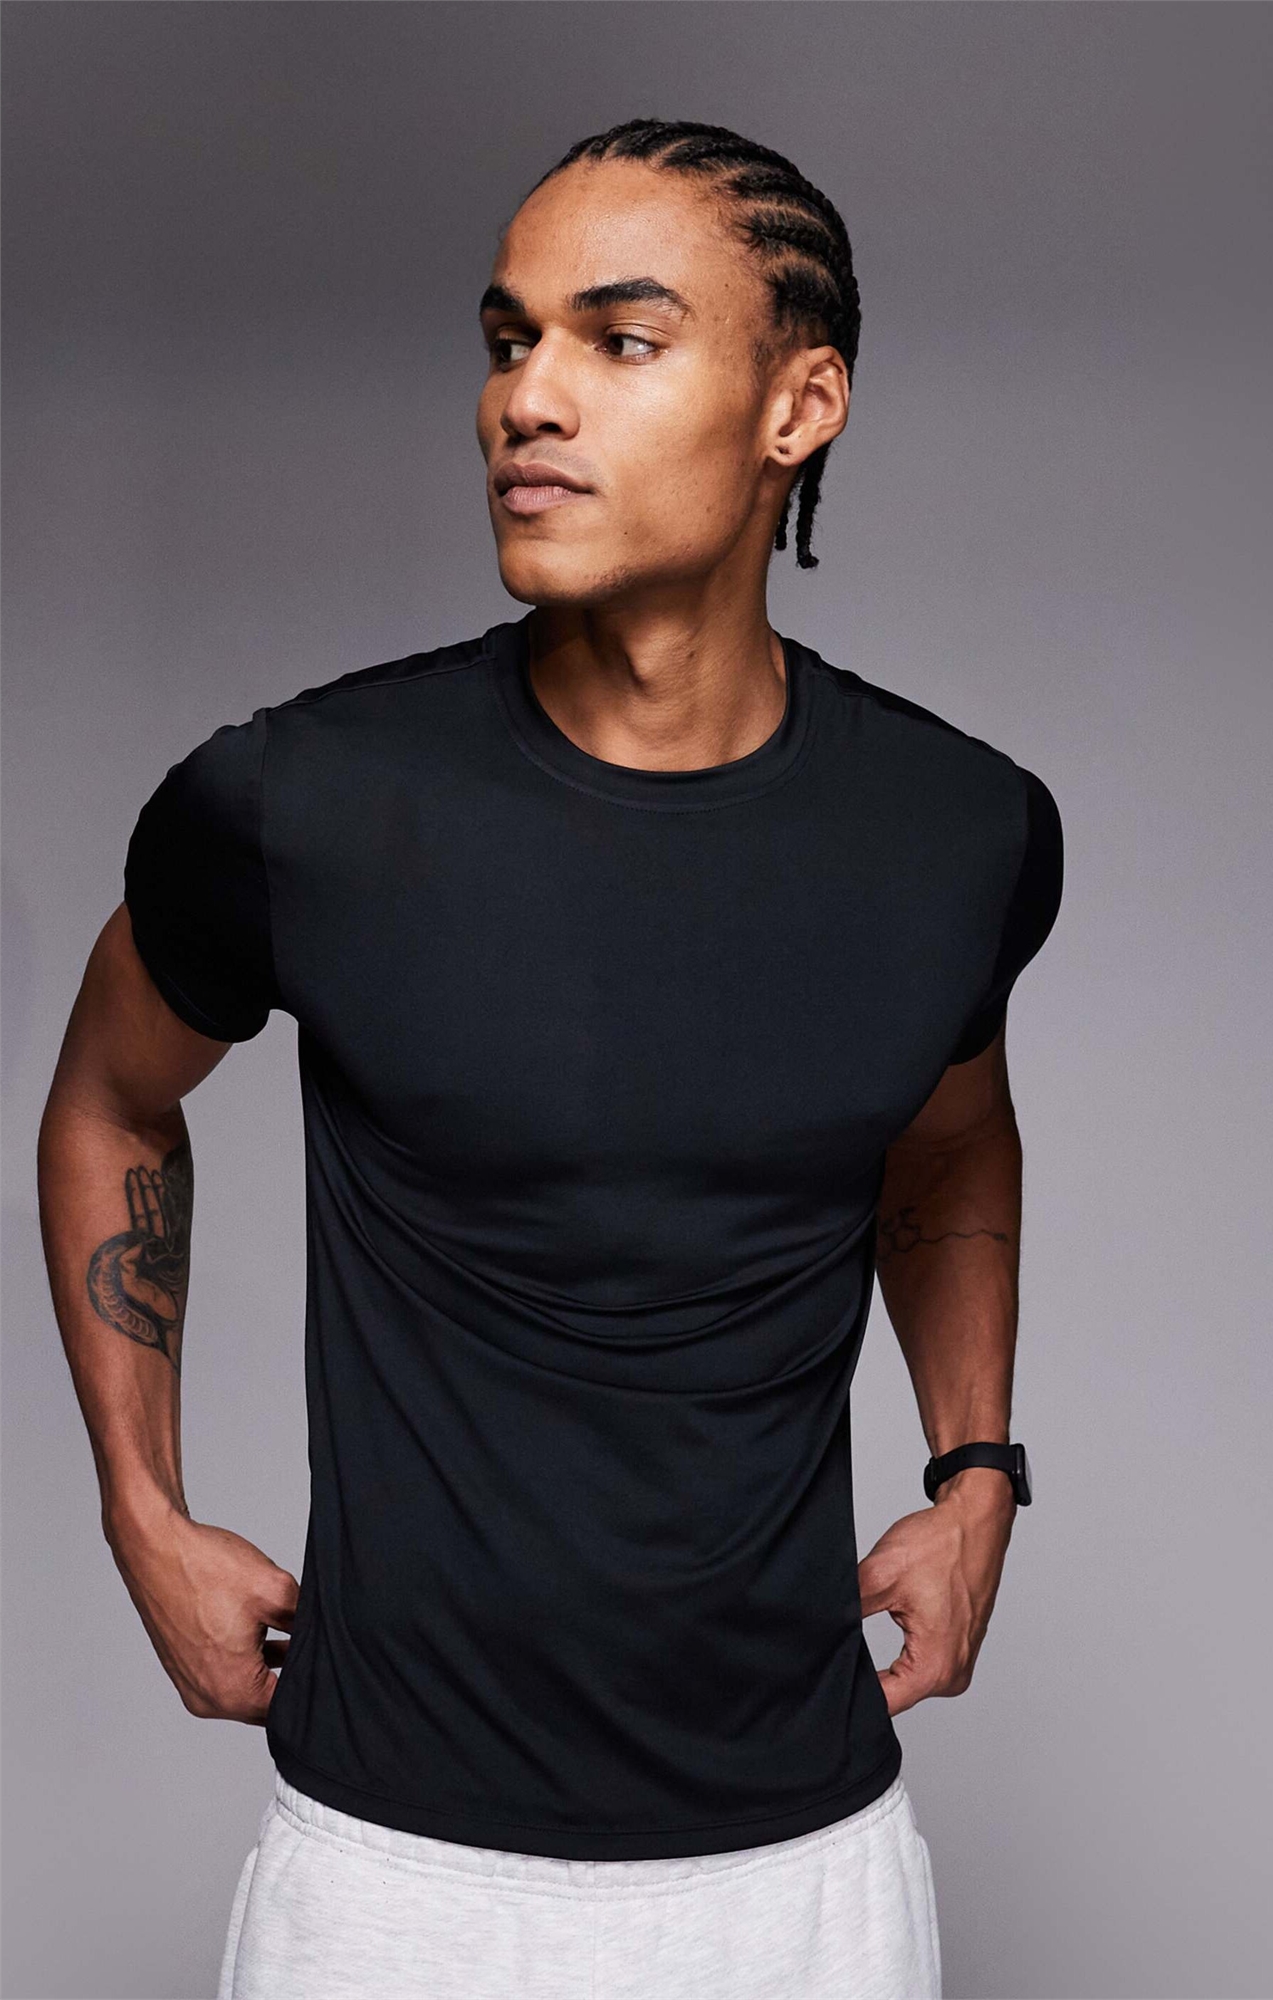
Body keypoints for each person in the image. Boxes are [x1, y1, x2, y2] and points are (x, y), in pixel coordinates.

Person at [37, 116, 1063, 2000]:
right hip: (391, 1880)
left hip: (804, 1881)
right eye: (510, 339)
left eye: (621, 338)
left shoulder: (961, 833)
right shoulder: (301, 804)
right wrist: (141, 1510)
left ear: (798, 406)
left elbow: (947, 1143)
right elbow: (114, 1093)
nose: (527, 397)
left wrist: (975, 1466)